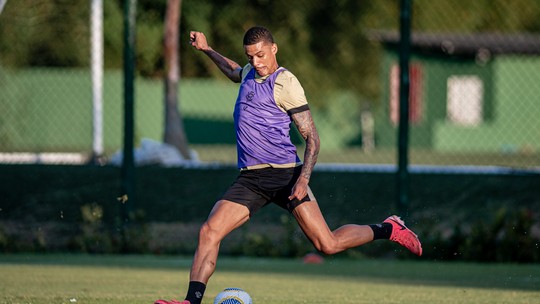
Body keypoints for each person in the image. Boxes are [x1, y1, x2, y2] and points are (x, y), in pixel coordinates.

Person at [155, 26, 422, 304]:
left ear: (274, 48)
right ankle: (191, 301)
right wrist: (207, 49)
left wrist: (303, 179)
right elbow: (235, 71)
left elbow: (313, 139)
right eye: (250, 57)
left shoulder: (286, 83)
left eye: (261, 55)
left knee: (327, 244)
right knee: (209, 231)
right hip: (250, 179)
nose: (256, 62)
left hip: (286, 176)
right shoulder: (249, 72)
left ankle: (388, 229)